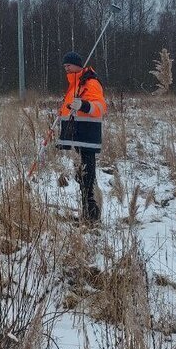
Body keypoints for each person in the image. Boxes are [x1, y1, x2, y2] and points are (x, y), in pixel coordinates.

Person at [56, 51, 107, 222]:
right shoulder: (73, 84)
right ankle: (87, 213)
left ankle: (92, 216)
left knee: (87, 177)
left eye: (68, 65)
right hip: (76, 136)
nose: (66, 68)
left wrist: (84, 105)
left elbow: (100, 107)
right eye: (64, 66)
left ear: (78, 64)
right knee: (81, 175)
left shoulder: (91, 83)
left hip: (87, 137)